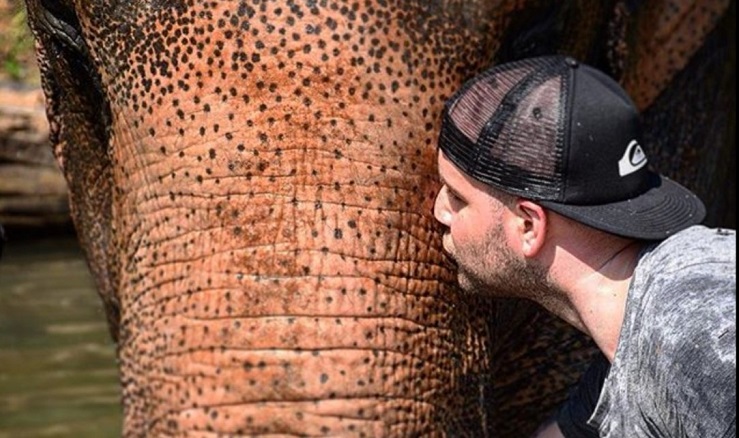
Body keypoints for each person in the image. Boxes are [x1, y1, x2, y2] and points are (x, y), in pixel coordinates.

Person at [433, 55, 736, 437]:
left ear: (529, 225)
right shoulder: (625, 357)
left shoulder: (703, 332)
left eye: (458, 198)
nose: (439, 211)